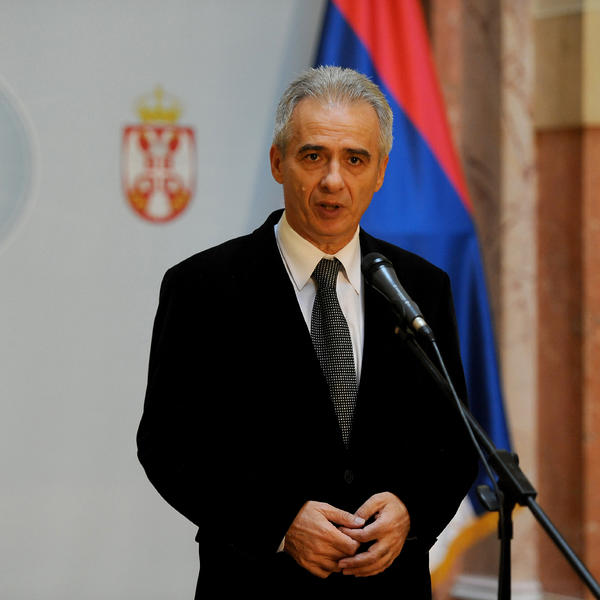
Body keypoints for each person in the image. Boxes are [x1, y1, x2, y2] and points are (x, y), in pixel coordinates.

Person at [137, 66, 478, 598]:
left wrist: (412, 509)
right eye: (313, 156)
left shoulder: (421, 286)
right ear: (278, 161)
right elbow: (169, 445)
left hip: (389, 586)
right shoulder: (203, 286)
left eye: (355, 159)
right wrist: (278, 522)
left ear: (381, 171)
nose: (333, 181)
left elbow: (455, 440)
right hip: (255, 584)